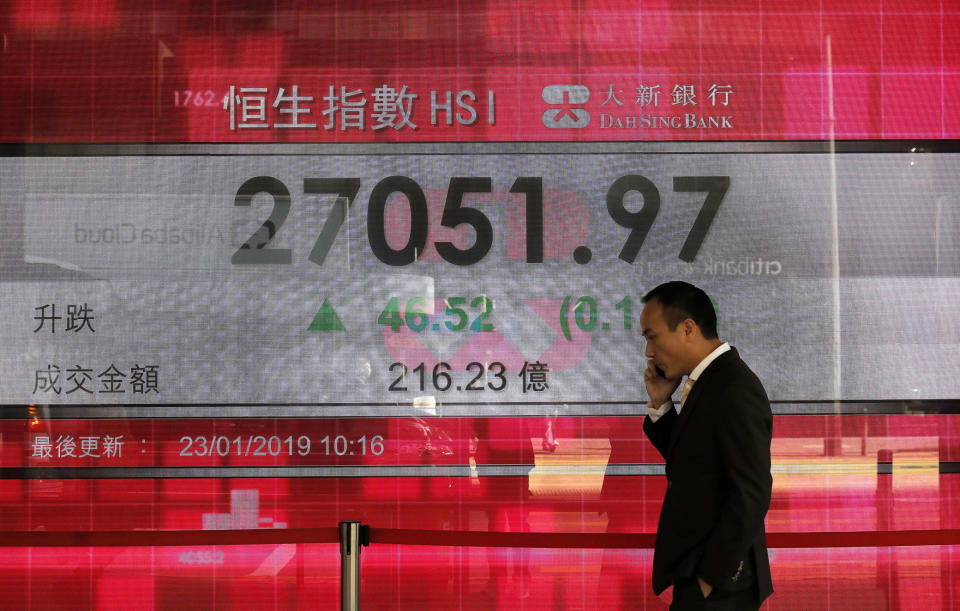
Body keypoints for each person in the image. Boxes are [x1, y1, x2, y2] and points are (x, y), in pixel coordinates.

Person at [640, 281, 773, 610]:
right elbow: (693, 462)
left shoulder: (733, 387)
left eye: (652, 336)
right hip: (705, 573)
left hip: (723, 583)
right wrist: (661, 404)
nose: (649, 352)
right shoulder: (709, 380)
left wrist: (709, 580)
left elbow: (751, 493)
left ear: (687, 329)